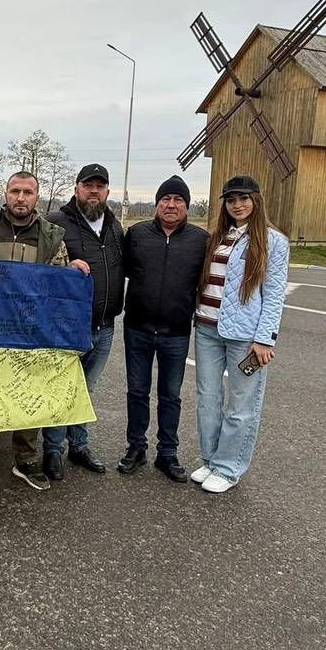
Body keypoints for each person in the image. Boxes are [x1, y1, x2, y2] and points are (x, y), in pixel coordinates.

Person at [0, 171, 90, 491]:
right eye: (14, 191)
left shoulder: (52, 236)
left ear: (37, 197)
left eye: (27, 192)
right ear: (5, 194)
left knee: (29, 395)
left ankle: (25, 459)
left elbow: (57, 283)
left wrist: (71, 274)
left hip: (30, 332)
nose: (20, 197)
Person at [192, 175, 288, 494]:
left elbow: (273, 294)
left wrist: (265, 338)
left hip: (244, 336)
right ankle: (211, 459)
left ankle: (229, 467)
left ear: (256, 201)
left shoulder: (273, 241)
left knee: (241, 404)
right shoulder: (219, 235)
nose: (238, 205)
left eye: (244, 198)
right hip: (207, 328)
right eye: (231, 200)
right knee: (208, 399)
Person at [119, 175, 208, 482]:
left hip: (176, 331)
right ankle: (136, 447)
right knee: (137, 391)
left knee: (170, 395)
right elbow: (125, 271)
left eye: (178, 200)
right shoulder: (137, 234)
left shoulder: (201, 240)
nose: (171, 205)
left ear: (187, 206)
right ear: (157, 205)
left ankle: (167, 453)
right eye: (165, 200)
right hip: (138, 328)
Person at [42, 164, 125, 480]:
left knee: (86, 391)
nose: (94, 190)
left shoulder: (115, 227)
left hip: (105, 325)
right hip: (66, 326)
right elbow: (39, 268)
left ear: (107, 190)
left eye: (100, 186)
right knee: (61, 388)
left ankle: (79, 445)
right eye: (88, 185)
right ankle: (52, 449)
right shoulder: (55, 224)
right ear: (76, 188)